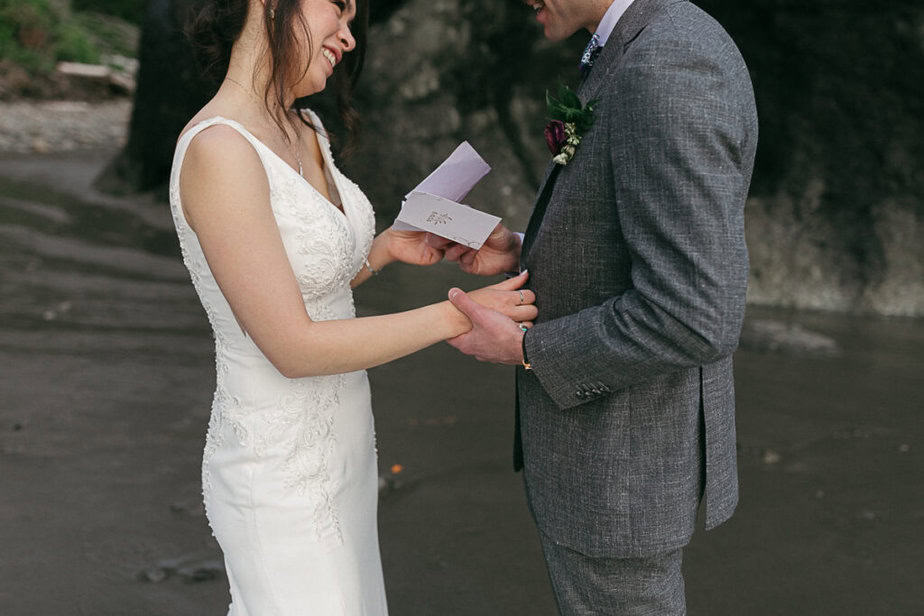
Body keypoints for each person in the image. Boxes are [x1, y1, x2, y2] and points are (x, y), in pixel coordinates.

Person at [167, 0, 537, 613]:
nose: (348, 35)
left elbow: (306, 281)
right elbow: (291, 345)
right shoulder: (218, 150)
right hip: (277, 464)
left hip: (344, 444)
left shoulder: (306, 127)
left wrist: (389, 246)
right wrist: (461, 312)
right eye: (337, 9)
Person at [438, 0, 758, 613]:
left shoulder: (669, 64)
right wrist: (520, 251)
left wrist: (526, 349)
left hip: (622, 469)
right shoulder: (649, 43)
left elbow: (694, 312)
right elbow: (634, 241)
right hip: (612, 464)